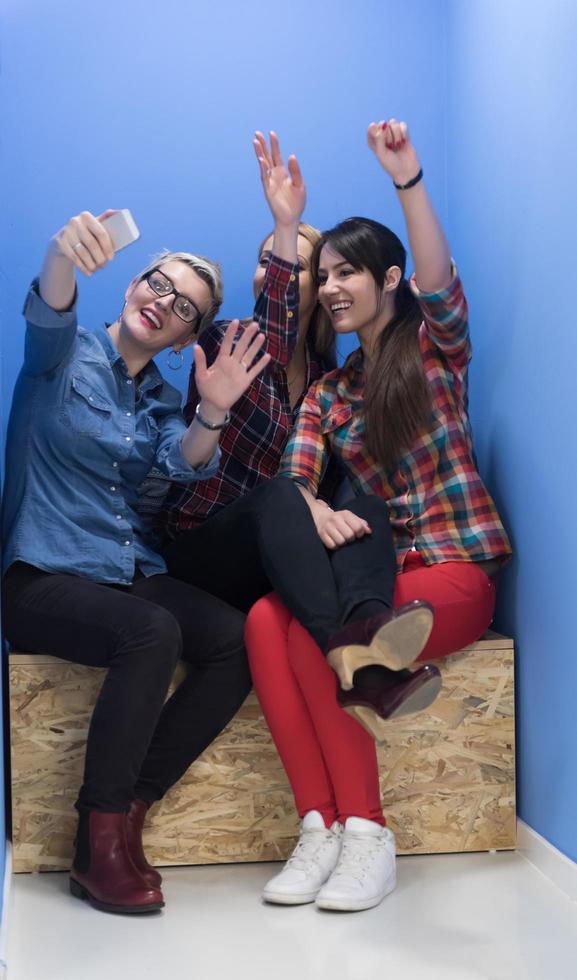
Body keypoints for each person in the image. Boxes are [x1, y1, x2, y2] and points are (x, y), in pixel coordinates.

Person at [242, 117, 512, 912]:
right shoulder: (327, 394)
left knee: (332, 633)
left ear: (385, 278)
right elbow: (292, 476)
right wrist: (313, 506)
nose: (328, 286)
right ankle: (318, 825)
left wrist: (406, 179)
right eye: (320, 275)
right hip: (376, 575)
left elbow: (437, 278)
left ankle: (367, 834)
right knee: (266, 618)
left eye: (344, 272)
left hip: (453, 567)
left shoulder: (433, 347)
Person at [1, 209, 271, 915]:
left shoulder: (157, 403)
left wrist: (212, 412)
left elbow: (181, 463)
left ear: (184, 338)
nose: (164, 301)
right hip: (41, 578)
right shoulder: (61, 358)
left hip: (127, 574)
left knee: (234, 639)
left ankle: (128, 811)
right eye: (158, 283)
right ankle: (96, 847)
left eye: (185, 306)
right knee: (151, 632)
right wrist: (62, 252)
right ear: (132, 284)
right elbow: (51, 301)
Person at [156, 133, 339, 612]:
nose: (270, 273)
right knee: (282, 497)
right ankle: (344, 646)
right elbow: (275, 328)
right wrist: (286, 222)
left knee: (350, 512)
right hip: (202, 545)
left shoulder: (326, 376)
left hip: (274, 553)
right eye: (265, 262)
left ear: (319, 287)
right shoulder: (229, 342)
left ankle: (361, 639)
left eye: (291, 266)